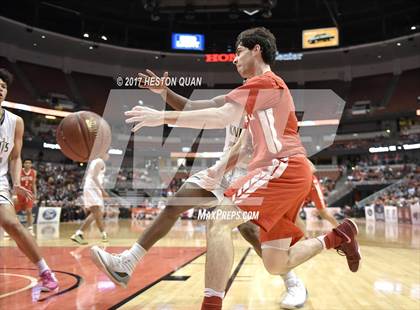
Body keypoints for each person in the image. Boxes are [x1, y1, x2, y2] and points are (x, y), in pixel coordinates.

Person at [92, 27, 360, 310]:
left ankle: (258, 291)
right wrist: (164, 92)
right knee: (266, 256)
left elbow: (226, 126)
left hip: (272, 169)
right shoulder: (250, 91)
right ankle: (337, 236)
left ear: (256, 50)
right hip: (262, 171)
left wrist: (161, 117)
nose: (233, 60)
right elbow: (197, 107)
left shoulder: (266, 84)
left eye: (239, 52)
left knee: (233, 226)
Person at [0, 68, 58, 291]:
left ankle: (45, 271)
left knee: (12, 223)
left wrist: (16, 183)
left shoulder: (16, 122)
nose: (0, 89)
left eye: (4, 86)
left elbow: (15, 157)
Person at [70, 152, 109, 244]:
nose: (108, 156)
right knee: (97, 212)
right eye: (108, 154)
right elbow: (94, 177)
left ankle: (103, 234)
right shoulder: (100, 161)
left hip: (91, 188)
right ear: (104, 154)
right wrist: (102, 190)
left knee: (97, 213)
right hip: (93, 188)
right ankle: (78, 234)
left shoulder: (94, 162)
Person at [14, 158, 37, 235]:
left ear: (31, 164)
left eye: (29, 163)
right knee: (14, 211)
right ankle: (12, 228)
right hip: (20, 194)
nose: (27, 164)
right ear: (23, 164)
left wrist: (35, 194)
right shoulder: (19, 171)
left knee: (29, 211)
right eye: (26, 163)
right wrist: (14, 194)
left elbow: (33, 184)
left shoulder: (34, 172)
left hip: (29, 194)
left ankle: (30, 228)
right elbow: (16, 184)